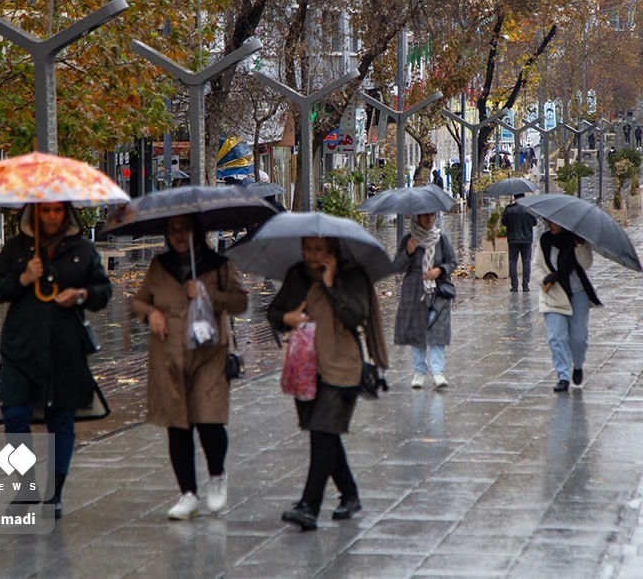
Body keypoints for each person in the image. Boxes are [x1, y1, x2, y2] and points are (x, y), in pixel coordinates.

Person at [0, 202, 111, 518]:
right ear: (35, 213)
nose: (52, 216)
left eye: (57, 210)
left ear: (66, 213)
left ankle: (54, 492)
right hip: (20, 347)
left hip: (65, 348)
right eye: (46, 211)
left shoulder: (82, 249)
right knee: (15, 415)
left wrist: (81, 295)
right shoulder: (17, 248)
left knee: (60, 421)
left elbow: (103, 291)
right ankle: (25, 485)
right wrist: (23, 278)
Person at [131, 215, 247, 521]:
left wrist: (208, 295)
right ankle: (188, 493)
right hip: (168, 356)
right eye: (172, 230)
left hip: (209, 354)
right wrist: (151, 314)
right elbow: (138, 302)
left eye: (184, 229)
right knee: (177, 424)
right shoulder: (159, 266)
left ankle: (217, 475)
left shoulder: (219, 265)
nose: (178, 235)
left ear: (196, 231)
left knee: (209, 420)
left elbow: (240, 303)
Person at [268, 237, 387, 531]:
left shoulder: (352, 276)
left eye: (318, 249)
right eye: (307, 248)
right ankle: (350, 494)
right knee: (325, 434)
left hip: (342, 367)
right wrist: (288, 317)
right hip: (304, 368)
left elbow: (357, 315)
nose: (311, 255)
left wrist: (332, 284)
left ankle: (309, 507)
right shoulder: (297, 274)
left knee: (322, 433)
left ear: (333, 250)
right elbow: (274, 312)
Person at [534, 219, 601, 393]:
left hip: (578, 294)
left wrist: (579, 245)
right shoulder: (545, 241)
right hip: (554, 294)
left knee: (579, 338)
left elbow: (585, 264)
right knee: (556, 337)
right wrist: (545, 279)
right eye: (548, 221)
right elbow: (536, 267)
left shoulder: (578, 240)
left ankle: (577, 365)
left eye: (554, 222)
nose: (550, 225)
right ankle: (563, 376)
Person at [394, 212, 456, 388]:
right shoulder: (409, 239)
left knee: (438, 331)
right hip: (415, 292)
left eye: (432, 215)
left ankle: (438, 372)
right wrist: (408, 252)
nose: (429, 219)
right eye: (425, 216)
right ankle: (419, 372)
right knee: (417, 332)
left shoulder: (441, 239)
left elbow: (452, 262)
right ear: (417, 218)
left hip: (438, 292)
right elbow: (397, 267)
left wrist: (439, 270)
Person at [501, 194, 537, 293]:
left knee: (513, 262)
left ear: (514, 197)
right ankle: (525, 286)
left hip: (513, 239)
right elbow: (535, 223)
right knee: (526, 262)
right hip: (527, 240)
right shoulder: (529, 209)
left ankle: (514, 286)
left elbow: (504, 222)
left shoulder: (509, 209)